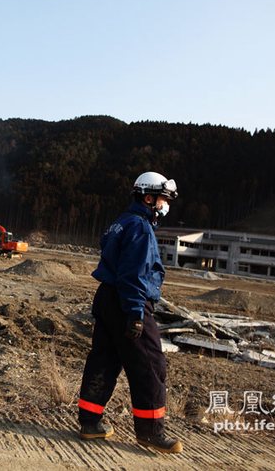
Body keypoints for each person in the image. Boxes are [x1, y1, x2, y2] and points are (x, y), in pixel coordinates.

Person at [76, 171, 183, 454]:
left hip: (107, 297)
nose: (165, 205)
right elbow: (134, 273)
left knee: (104, 359)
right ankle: (151, 432)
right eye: (163, 199)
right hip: (128, 300)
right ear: (148, 198)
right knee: (150, 364)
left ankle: (90, 422)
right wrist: (136, 313)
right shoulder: (141, 228)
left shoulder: (121, 222)